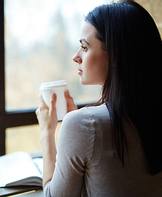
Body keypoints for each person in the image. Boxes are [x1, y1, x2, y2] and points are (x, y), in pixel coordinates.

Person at [35, 0, 162, 196]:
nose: (76, 56)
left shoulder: (84, 125)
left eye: (84, 47)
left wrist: (47, 133)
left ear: (115, 56)